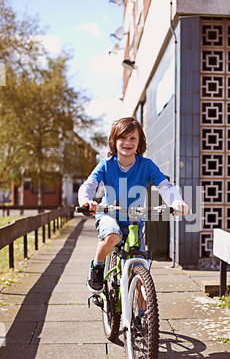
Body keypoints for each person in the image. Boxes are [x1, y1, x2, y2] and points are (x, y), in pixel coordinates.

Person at [78, 117, 188, 294]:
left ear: (140, 142)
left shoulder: (147, 165)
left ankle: (142, 317)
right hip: (109, 215)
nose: (127, 142)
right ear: (114, 141)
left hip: (134, 219)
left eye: (133, 138)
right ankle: (97, 267)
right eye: (123, 138)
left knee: (140, 269)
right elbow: (89, 185)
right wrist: (86, 200)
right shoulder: (106, 165)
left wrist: (176, 202)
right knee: (112, 236)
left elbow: (165, 186)